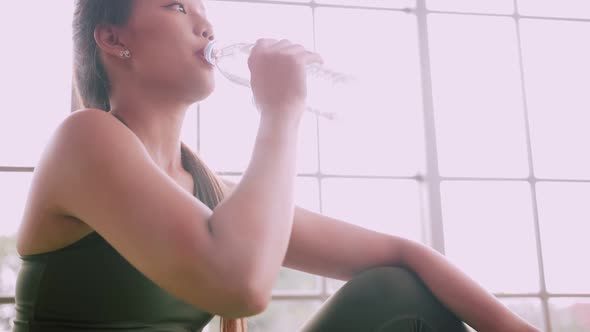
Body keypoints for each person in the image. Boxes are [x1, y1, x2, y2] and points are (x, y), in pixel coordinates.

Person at [13, 1, 542, 331]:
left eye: (202, 7)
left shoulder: (211, 193)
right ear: (112, 38)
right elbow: (239, 286)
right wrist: (281, 111)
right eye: (176, 5)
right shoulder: (84, 137)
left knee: (398, 293)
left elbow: (404, 252)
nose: (205, 21)